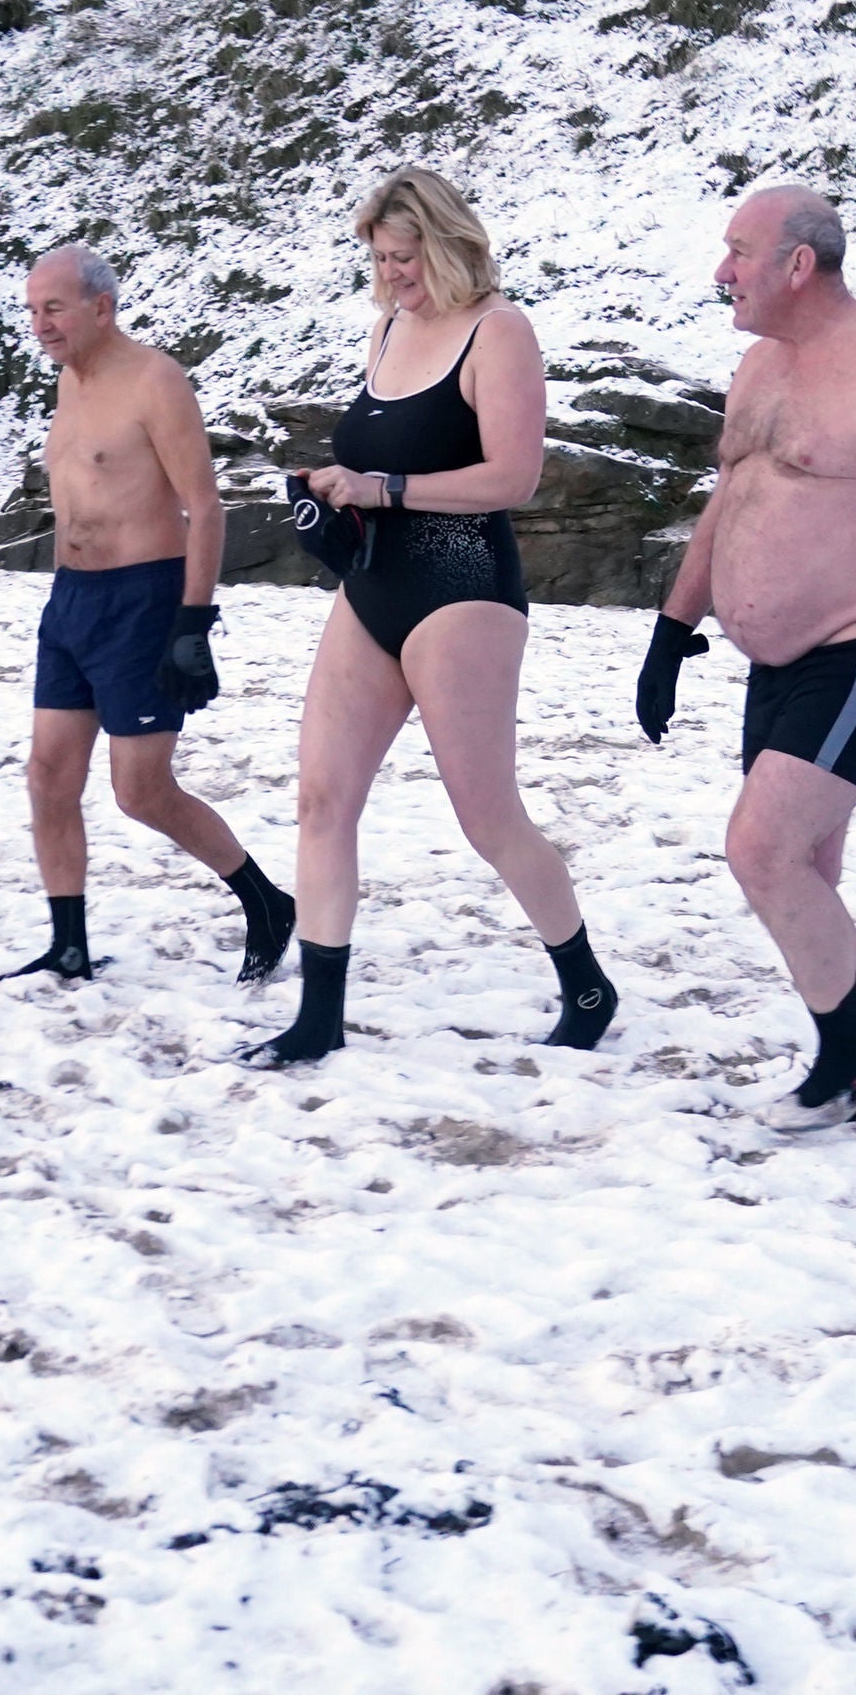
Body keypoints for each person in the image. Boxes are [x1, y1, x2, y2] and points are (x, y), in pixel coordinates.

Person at [635, 187, 856, 1129]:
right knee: (806, 875)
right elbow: (731, 500)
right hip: (775, 660)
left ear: (799, 263)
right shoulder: (757, 368)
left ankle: (851, 1065)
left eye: (738, 252)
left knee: (762, 849)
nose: (721, 273)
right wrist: (674, 631)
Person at [252, 168, 611, 1065]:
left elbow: (514, 478)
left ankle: (586, 983)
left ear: (446, 245)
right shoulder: (386, 328)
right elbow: (371, 458)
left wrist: (389, 487)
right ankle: (318, 1016)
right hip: (372, 588)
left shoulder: (500, 332)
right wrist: (334, 493)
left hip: (464, 590)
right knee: (321, 799)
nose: (392, 275)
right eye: (379, 258)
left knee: (486, 816)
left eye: (404, 257)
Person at [15, 243, 297, 983]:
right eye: (32, 310)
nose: (39, 324)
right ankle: (68, 944)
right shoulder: (69, 385)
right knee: (48, 775)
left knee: (141, 790)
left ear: (100, 308)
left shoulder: (154, 380)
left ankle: (266, 902)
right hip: (70, 601)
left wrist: (192, 623)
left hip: (142, 599)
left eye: (53, 308)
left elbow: (204, 506)